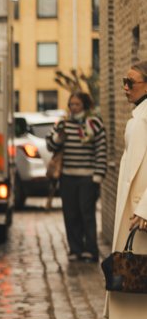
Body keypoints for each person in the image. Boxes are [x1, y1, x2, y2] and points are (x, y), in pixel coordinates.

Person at [108, 61, 147, 319]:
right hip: (137, 216)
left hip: (143, 216)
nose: (125, 87)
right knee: (140, 291)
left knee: (141, 288)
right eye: (124, 81)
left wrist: (146, 208)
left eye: (130, 82)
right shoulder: (139, 116)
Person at [45, 91, 107, 262]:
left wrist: (98, 175)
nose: (73, 107)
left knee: (87, 214)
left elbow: (101, 150)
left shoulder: (94, 123)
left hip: (88, 177)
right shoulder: (63, 124)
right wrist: (59, 138)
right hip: (67, 177)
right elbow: (50, 145)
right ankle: (75, 249)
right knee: (70, 214)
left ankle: (91, 250)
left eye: (77, 104)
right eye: (71, 104)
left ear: (85, 105)